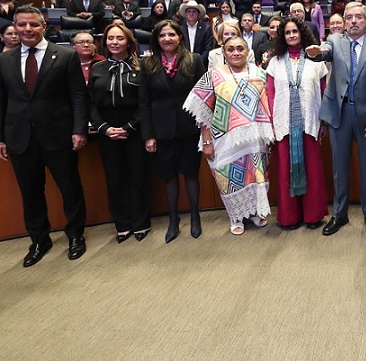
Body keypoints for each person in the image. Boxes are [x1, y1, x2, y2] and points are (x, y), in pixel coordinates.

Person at [0, 6, 88, 267]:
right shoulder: (3, 60)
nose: (27, 29)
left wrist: (79, 129)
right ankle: (39, 239)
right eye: (22, 25)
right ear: (14, 28)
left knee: (70, 188)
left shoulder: (65, 56)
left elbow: (78, 96)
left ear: (43, 25)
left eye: (33, 24)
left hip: (59, 135)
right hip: (20, 137)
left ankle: (76, 235)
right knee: (31, 192)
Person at [305, 2, 366, 237]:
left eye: (358, 17)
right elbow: (323, 51)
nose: (353, 21)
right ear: (343, 23)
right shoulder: (334, 41)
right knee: (339, 168)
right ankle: (340, 214)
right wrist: (315, 52)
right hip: (339, 114)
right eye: (349, 18)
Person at [184, 35, 274, 235]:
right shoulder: (213, 75)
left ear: (248, 51)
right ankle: (236, 216)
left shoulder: (260, 73)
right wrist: (206, 141)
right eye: (231, 49)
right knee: (229, 178)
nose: (236, 52)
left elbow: (269, 103)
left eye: (240, 48)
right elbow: (202, 111)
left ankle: (255, 213)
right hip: (224, 138)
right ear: (223, 53)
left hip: (255, 137)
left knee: (256, 175)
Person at [139, 19, 206, 243]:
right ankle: (173, 219)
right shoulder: (148, 64)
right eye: (162, 35)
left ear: (180, 37)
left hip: (189, 128)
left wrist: (205, 129)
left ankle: (195, 216)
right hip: (162, 131)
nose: (167, 39)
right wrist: (148, 134)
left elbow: (204, 97)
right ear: (156, 40)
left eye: (171, 35)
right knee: (169, 177)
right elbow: (144, 102)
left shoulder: (194, 60)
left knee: (191, 174)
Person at [88, 23, 151, 243]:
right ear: (104, 42)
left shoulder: (142, 66)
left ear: (129, 42)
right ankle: (122, 224)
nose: (114, 42)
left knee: (138, 176)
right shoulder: (97, 68)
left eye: (120, 38)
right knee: (115, 178)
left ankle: (141, 222)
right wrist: (104, 128)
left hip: (134, 127)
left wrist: (129, 127)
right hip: (107, 129)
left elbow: (146, 102)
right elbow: (91, 104)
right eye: (110, 39)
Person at [266, 18, 329, 230]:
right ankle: (289, 217)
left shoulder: (315, 59)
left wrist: (323, 121)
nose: (291, 35)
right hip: (284, 123)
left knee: (312, 169)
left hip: (310, 121)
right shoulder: (275, 62)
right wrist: (273, 123)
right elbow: (271, 93)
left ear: (302, 33)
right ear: (282, 36)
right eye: (287, 32)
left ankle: (313, 215)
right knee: (285, 170)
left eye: (295, 31)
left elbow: (323, 89)